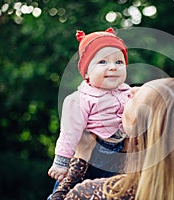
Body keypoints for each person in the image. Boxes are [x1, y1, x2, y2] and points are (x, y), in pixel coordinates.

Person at [62, 77, 174, 200]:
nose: (131, 90)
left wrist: (81, 158)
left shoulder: (99, 194)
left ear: (137, 140)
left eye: (134, 99)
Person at [47, 27, 130, 199]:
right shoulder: (80, 99)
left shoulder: (128, 91)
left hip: (121, 152)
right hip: (93, 153)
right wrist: (62, 161)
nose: (113, 67)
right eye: (103, 62)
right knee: (71, 187)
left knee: (112, 191)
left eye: (119, 62)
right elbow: (69, 134)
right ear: (86, 72)